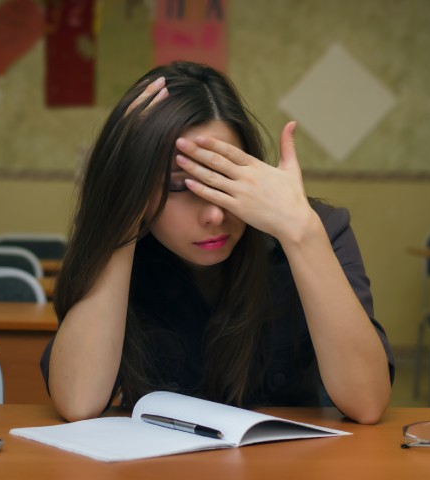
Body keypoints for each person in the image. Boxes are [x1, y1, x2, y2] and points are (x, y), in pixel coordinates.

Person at [42, 61, 394, 424]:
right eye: (180, 186)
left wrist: (300, 232)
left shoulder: (315, 229)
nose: (214, 214)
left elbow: (366, 402)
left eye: (225, 181)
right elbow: (78, 401)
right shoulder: (122, 239)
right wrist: (120, 215)